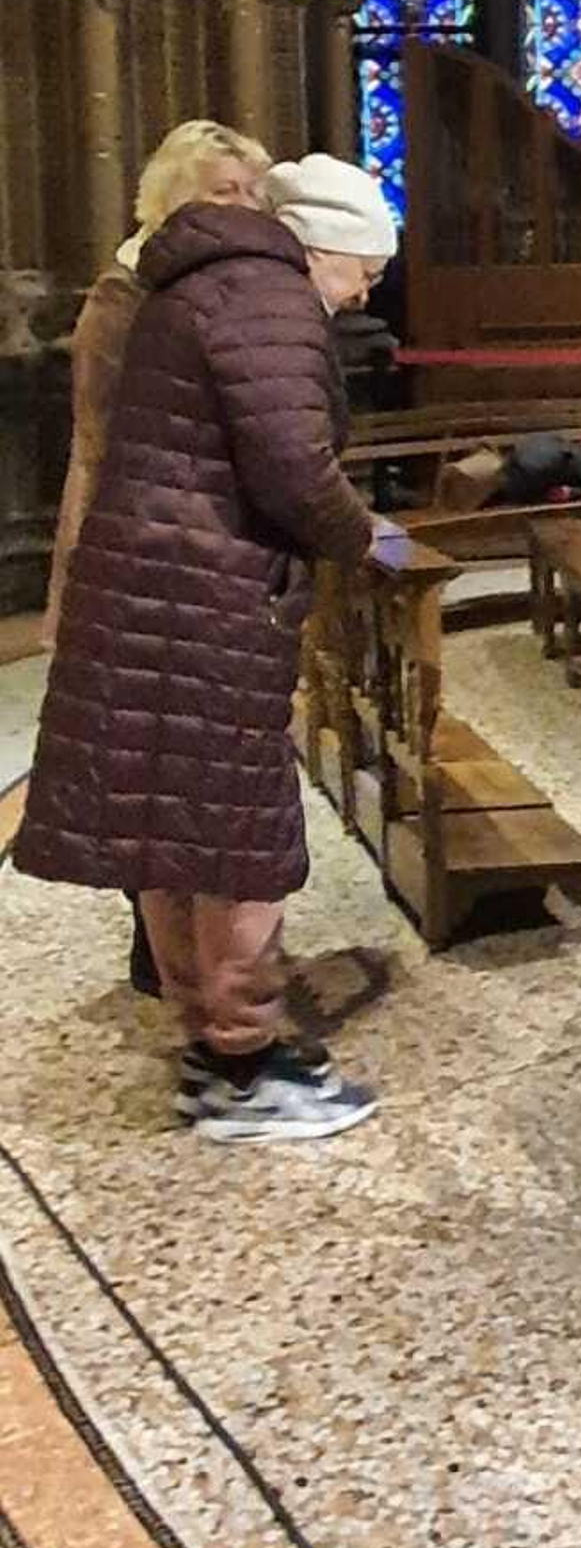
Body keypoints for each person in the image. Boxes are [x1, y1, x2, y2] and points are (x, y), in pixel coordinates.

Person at [16, 154, 395, 1143]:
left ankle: (212, 1047)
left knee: (177, 829)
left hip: (153, 587)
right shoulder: (272, 299)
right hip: (205, 597)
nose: (366, 292)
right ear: (322, 246)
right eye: (364, 268)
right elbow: (291, 464)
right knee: (235, 838)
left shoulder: (197, 282)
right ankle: (243, 1070)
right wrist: (365, 538)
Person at [44, 119, 271, 1000]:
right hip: (137, 544)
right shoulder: (126, 294)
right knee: (149, 756)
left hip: (207, 547)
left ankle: (198, 955)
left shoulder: (220, 288)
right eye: (224, 191)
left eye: (252, 192)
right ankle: (171, 963)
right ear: (171, 198)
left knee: (194, 764)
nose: (245, 209)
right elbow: (104, 443)